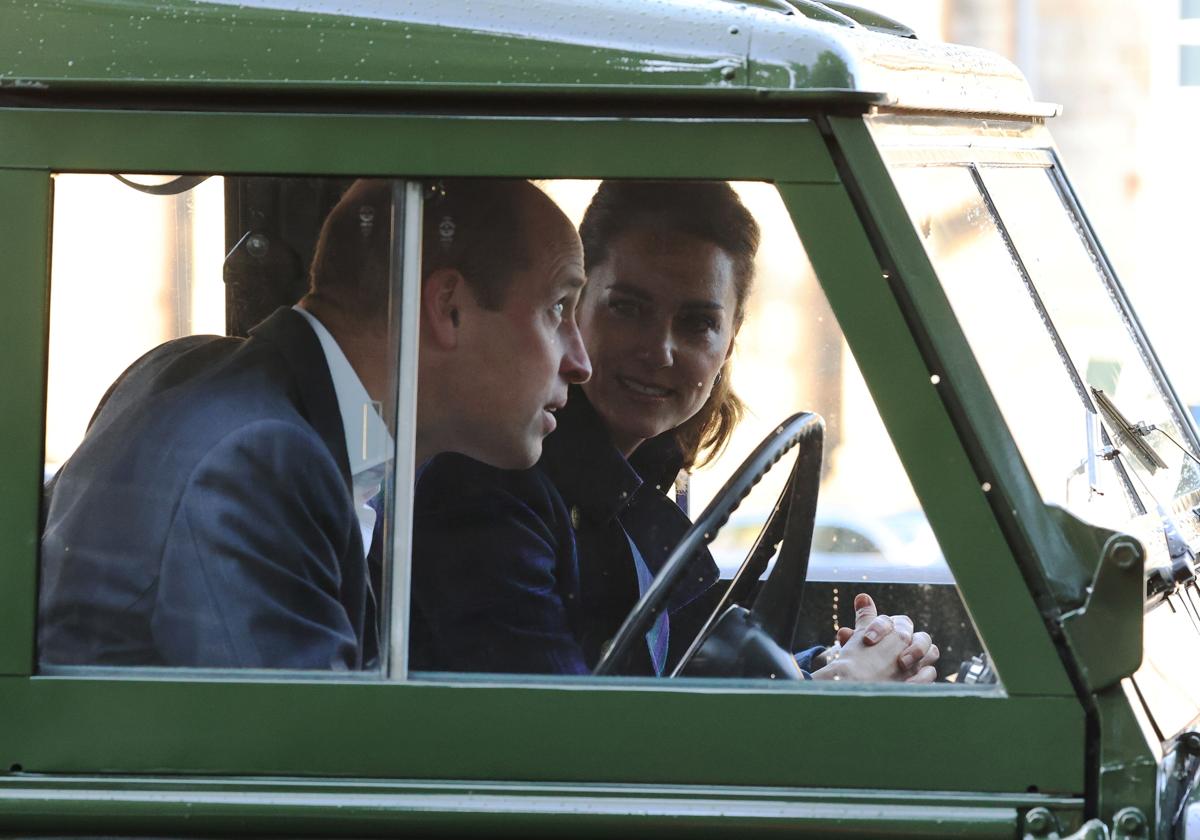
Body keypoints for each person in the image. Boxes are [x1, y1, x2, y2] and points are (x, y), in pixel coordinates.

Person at [38, 178, 590, 670]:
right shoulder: (260, 462)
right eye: (558, 309)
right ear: (448, 308)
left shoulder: (196, 373)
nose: (580, 362)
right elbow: (304, 765)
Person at [411, 180, 938, 681]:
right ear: (573, 307)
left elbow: (685, 669)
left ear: (729, 343)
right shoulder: (490, 492)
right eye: (628, 308)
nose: (659, 350)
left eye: (697, 323)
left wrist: (834, 662)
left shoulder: (643, 483)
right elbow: (564, 740)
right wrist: (830, 696)